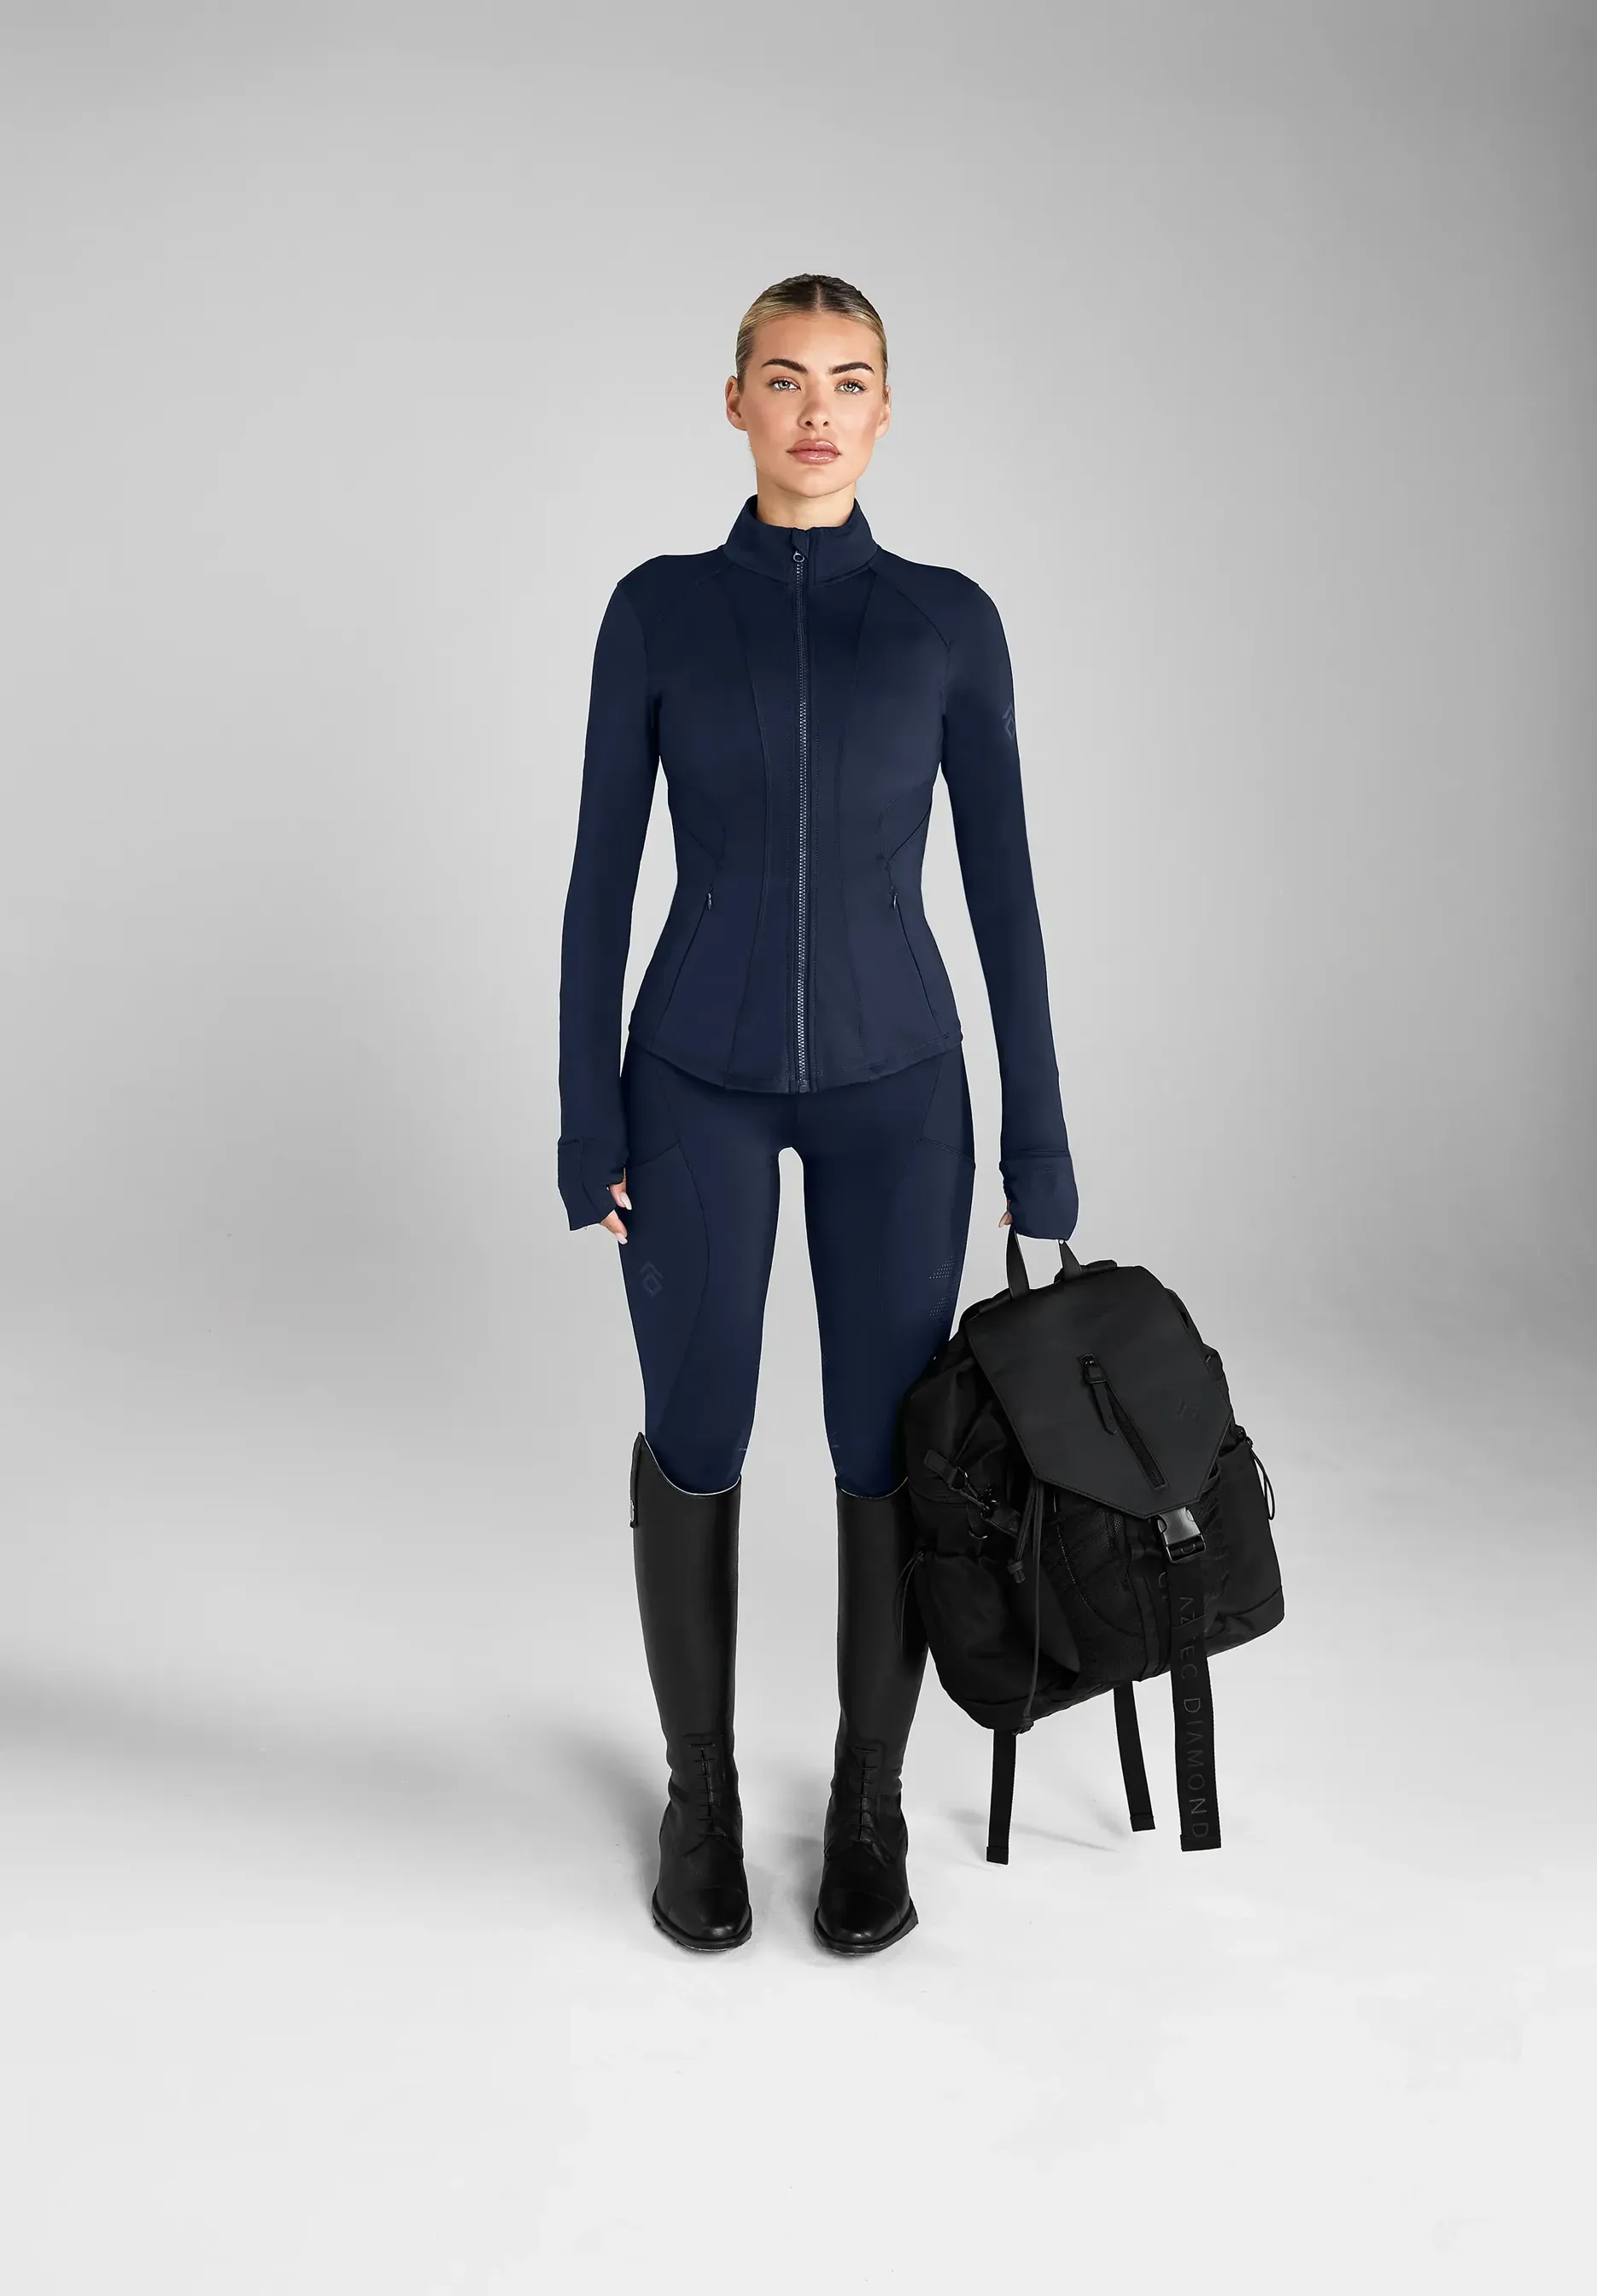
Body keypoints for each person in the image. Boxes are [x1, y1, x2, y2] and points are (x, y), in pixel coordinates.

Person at [557, 272, 1079, 1955]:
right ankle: (699, 1801)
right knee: (696, 1432)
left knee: (881, 1451)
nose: (816, 411)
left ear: (886, 409)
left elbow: (1004, 897)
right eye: (784, 379)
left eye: (849, 381)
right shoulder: (656, 612)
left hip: (897, 1091)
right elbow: (598, 881)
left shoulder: (946, 623)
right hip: (689, 1081)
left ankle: (869, 1806)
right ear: (736, 404)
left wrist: (1040, 1138)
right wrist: (585, 1120)